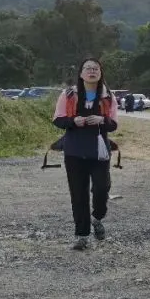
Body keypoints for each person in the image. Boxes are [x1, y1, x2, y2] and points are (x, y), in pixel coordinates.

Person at [52, 57, 119, 250]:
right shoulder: (68, 94)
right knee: (78, 195)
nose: (92, 71)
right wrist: (74, 121)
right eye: (88, 68)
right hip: (74, 151)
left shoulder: (108, 96)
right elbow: (58, 119)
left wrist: (102, 119)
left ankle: (97, 217)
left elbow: (113, 124)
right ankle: (82, 235)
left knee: (102, 188)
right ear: (81, 74)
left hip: (99, 152)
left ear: (100, 73)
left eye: (95, 68)